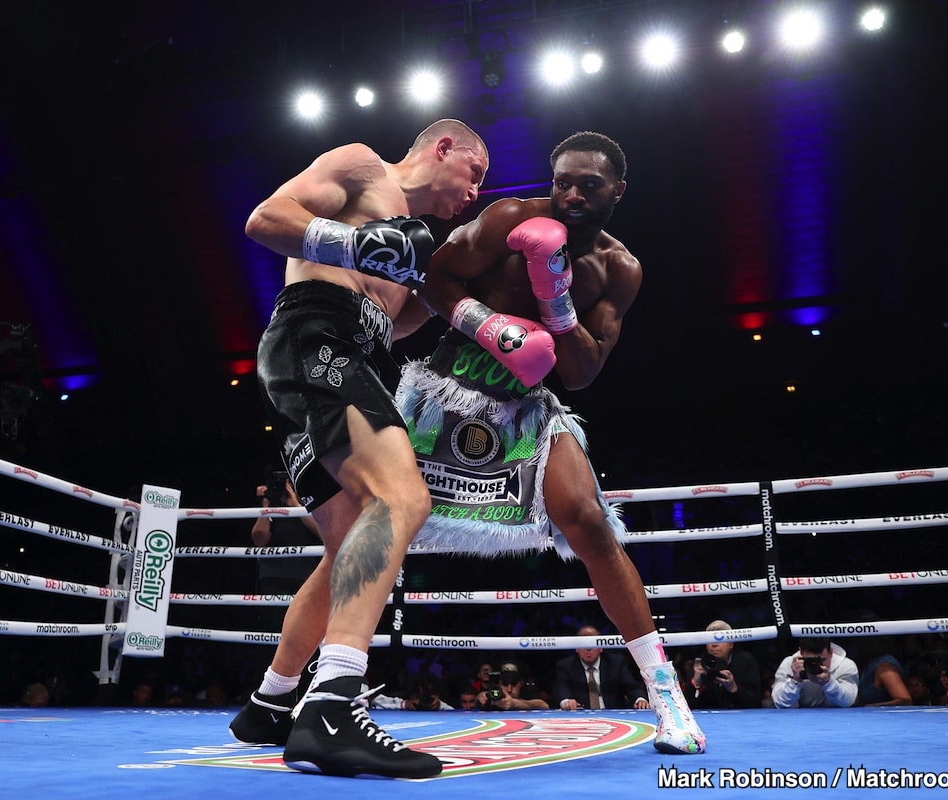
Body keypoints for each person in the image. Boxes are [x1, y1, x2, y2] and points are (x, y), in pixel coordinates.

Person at [394, 131, 705, 755]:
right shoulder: (510, 217)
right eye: (562, 180)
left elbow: (583, 371)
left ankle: (666, 693)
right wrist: (489, 323)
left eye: (588, 184)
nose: (570, 194)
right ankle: (308, 686)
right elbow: (433, 280)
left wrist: (552, 295)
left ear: (618, 189)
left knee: (590, 522)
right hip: (443, 389)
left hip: (525, 408)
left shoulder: (620, 269)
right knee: (370, 528)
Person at [228, 119, 488, 779]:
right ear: (444, 147)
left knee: (349, 550)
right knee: (403, 498)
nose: (475, 192)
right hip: (318, 337)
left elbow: (392, 320)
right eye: (476, 173)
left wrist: (464, 309)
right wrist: (354, 242)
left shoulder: (414, 244)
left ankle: (271, 701)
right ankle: (334, 708)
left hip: (344, 357)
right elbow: (266, 218)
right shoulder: (364, 166)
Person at [251, 470, 321, 594]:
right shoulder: (272, 509)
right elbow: (259, 540)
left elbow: (321, 532)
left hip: (304, 576)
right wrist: (265, 506)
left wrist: (295, 505)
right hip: (272, 577)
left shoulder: (310, 510)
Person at [554, 625, 648, 710]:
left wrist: (639, 699)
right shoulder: (566, 666)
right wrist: (566, 701)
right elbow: (562, 688)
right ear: (576, 648)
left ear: (601, 647)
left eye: (592, 643)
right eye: (584, 643)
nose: (588, 648)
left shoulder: (616, 662)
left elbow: (631, 686)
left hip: (614, 714)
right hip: (581, 715)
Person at [688, 620, 762, 709]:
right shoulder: (698, 665)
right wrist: (697, 683)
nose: (714, 644)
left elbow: (755, 702)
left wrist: (734, 688)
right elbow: (688, 708)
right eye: (709, 640)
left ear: (731, 644)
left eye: (720, 639)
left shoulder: (746, 661)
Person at [771, 637, 859, 708]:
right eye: (810, 660)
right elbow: (781, 704)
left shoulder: (845, 665)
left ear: (831, 652)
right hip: (798, 720)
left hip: (835, 720)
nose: (817, 664)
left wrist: (829, 683)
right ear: (801, 652)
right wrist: (795, 681)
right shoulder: (789, 664)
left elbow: (848, 702)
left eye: (822, 660)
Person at [476, 662, 548, 711]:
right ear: (499, 684)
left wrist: (514, 703)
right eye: (505, 684)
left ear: (520, 683)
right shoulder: (492, 696)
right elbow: (476, 701)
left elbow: (543, 705)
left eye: (514, 684)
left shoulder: (527, 692)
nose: (509, 689)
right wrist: (481, 697)